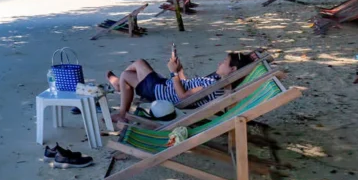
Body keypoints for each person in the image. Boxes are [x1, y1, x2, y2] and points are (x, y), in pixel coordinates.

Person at [106, 51, 256, 123]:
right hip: (165, 86)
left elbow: (184, 97)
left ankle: (121, 106)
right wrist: (180, 71)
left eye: (224, 62)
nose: (219, 63)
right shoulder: (217, 81)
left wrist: (173, 73)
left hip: (161, 93)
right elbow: (187, 87)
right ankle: (121, 87)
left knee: (136, 65)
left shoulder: (215, 86)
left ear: (233, 70)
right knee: (129, 73)